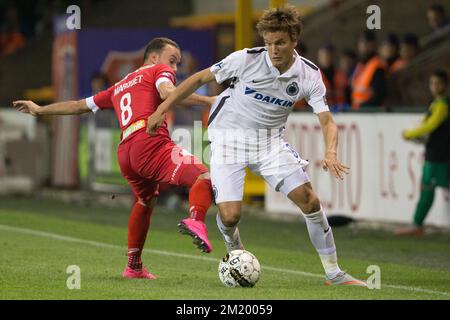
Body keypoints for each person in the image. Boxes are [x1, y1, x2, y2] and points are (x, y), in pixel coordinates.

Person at [147, 6, 366, 287]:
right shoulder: (245, 60)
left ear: (294, 39)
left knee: (310, 200)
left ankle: (334, 273)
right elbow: (199, 79)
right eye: (269, 43)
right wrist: (161, 109)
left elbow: (327, 121)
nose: (273, 50)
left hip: (268, 143)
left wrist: (331, 152)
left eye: (280, 43)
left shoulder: (309, 75)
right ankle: (233, 248)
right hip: (228, 139)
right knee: (230, 216)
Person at [13, 37, 215, 280]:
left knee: (145, 200)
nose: (173, 68)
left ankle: (133, 265)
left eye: (176, 64)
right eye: (172, 61)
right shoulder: (158, 71)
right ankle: (196, 220)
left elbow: (78, 106)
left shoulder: (119, 86)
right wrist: (208, 101)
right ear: (153, 57)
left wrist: (40, 109)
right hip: (149, 142)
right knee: (202, 175)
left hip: (126, 152)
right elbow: (169, 92)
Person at [396, 70, 450, 236]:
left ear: (446, 85)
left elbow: (429, 126)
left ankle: (417, 225)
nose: (435, 86)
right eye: (432, 83)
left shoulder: (442, 105)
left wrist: (409, 134)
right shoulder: (436, 104)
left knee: (428, 187)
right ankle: (417, 224)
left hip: (440, 156)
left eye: (438, 83)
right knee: (428, 187)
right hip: (435, 154)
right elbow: (427, 125)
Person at [351, 30, 387, 109]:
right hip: (357, 113)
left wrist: (361, 107)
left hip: (370, 113)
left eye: (367, 43)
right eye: (361, 42)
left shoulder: (377, 66)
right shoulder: (360, 66)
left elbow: (379, 97)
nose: (364, 46)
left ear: (374, 45)